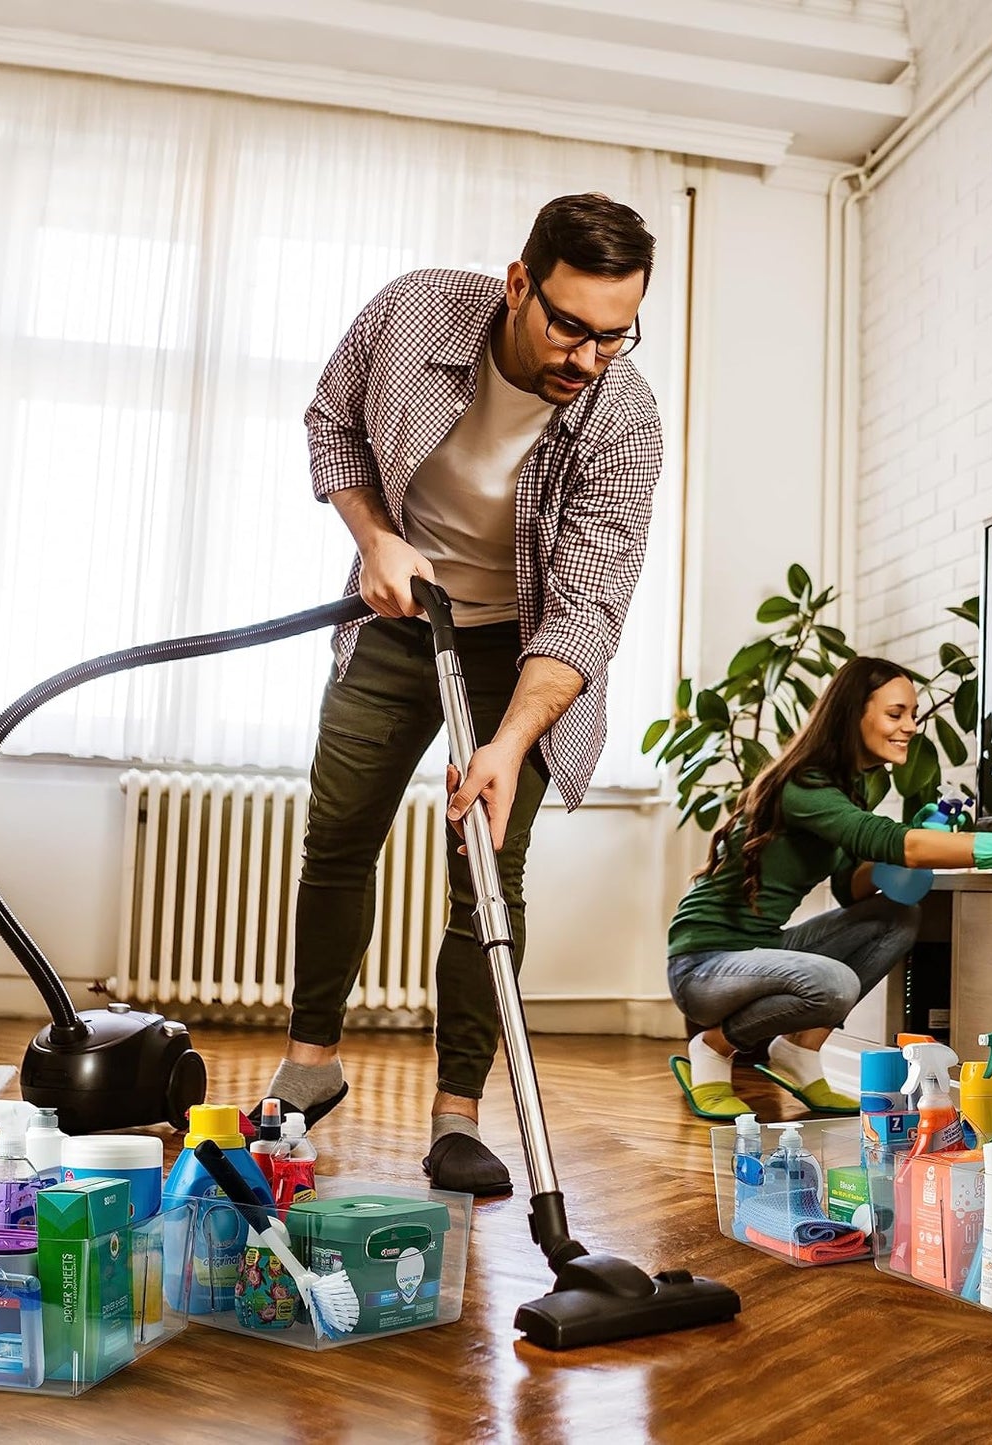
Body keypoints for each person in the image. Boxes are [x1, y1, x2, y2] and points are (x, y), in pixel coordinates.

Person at [255, 194, 663, 1197]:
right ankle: (311, 1063)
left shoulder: (624, 418)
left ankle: (456, 1115)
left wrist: (512, 739)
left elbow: (586, 609)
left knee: (485, 867)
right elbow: (333, 425)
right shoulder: (414, 315)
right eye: (569, 324)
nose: (586, 357)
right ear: (519, 283)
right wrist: (373, 537)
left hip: (518, 652)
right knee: (339, 833)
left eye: (615, 335)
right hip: (397, 619)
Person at [666, 656, 992, 1121]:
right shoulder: (804, 784)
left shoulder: (845, 788)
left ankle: (799, 1049)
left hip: (757, 953)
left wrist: (898, 845)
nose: (911, 727)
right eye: (896, 714)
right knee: (834, 983)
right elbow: (905, 848)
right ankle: (713, 1048)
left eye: (913, 715)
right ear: (854, 714)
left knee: (897, 917)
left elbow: (851, 889)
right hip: (704, 966)